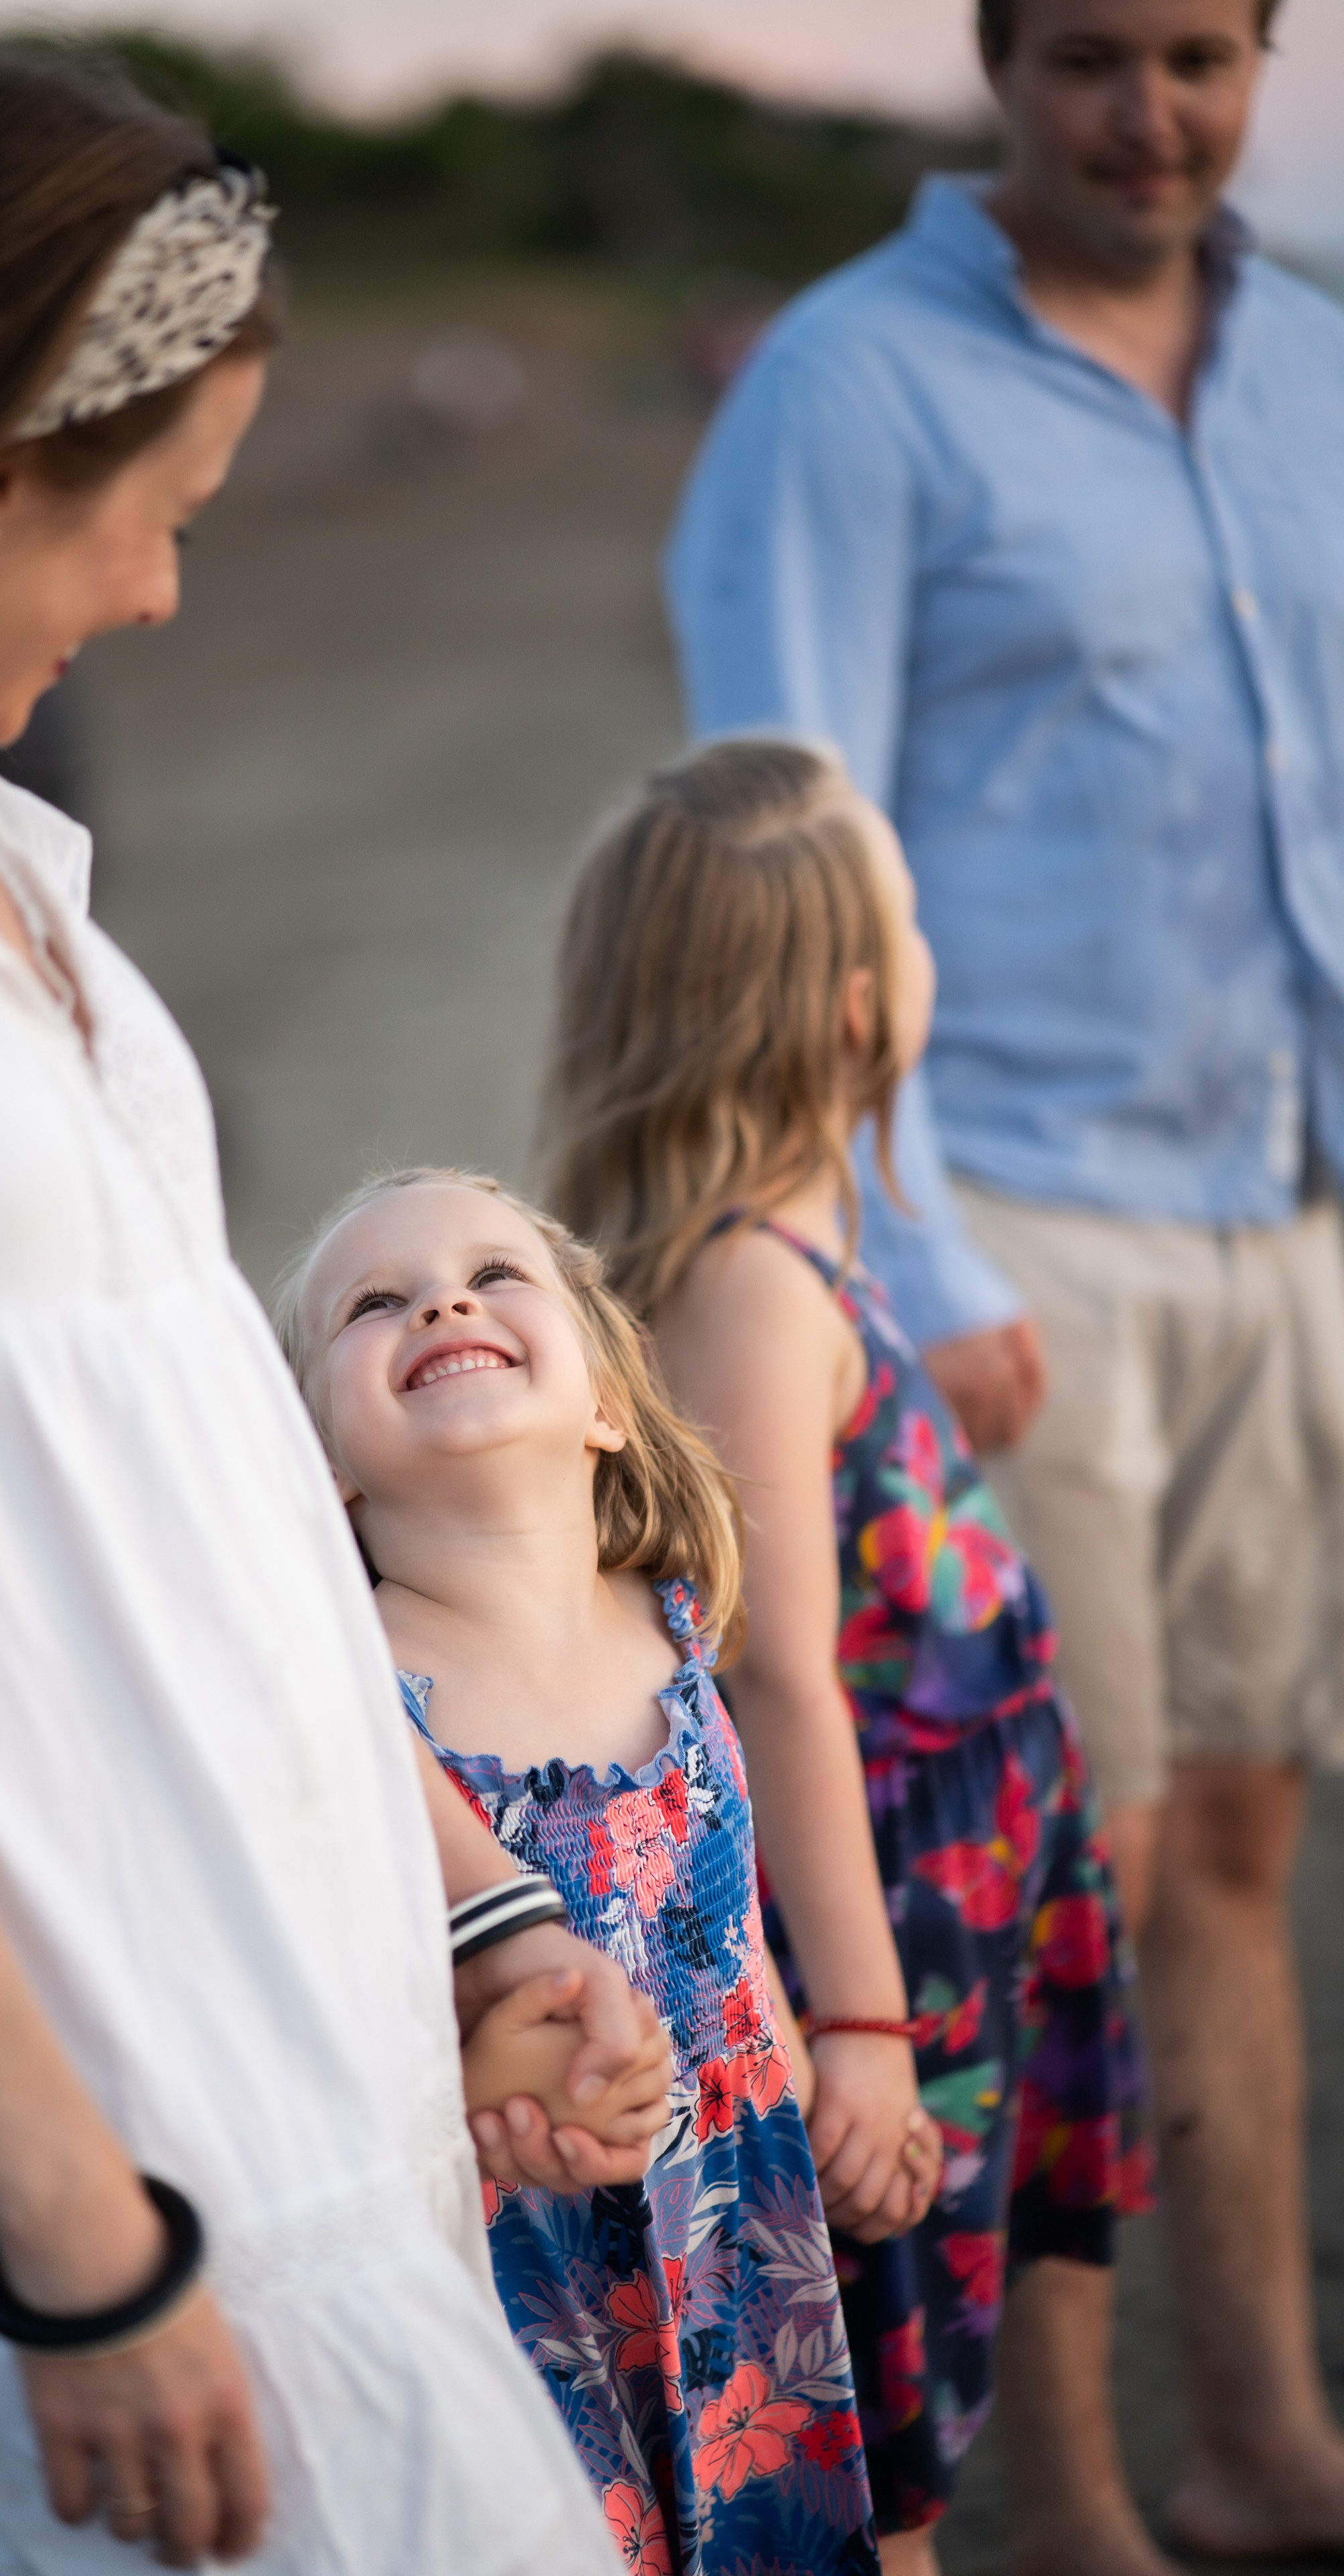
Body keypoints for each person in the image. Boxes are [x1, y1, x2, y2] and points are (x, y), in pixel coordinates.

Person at [0, 52, 674, 2576]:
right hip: (20, 2147)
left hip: (276, 2043)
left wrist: (475, 1904)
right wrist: (76, 2232)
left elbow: (177, 1463)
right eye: (164, 513)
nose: (170, 597)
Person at [663, 0, 1344, 2559]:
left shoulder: (1322, 376)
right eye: (1087, 58)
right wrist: (908, 1238)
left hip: (1287, 1198)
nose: (1146, 114)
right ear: (993, 58)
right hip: (1014, 1217)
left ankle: (1267, 2435)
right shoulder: (847, 393)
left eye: (1200, 53)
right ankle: (1066, 2500)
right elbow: (788, 849)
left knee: (1251, 1840)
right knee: (1073, 1881)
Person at [540, 737, 1150, 2572]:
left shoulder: (798, 1243)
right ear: (864, 1005)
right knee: (876, 2427)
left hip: (961, 1884)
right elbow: (778, 1672)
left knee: (919, 2373)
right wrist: (864, 2030)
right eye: (910, 914)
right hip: (880, 1922)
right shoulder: (747, 1284)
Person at [277, 1164, 890, 2575]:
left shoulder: (673, 1629)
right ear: (321, 1467)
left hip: (741, 2258)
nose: (441, 1297)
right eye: (374, 1304)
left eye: (495, 1275)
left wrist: (804, 2074)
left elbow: (724, 1927)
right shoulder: (347, 1694)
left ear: (607, 1403)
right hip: (513, 2290)